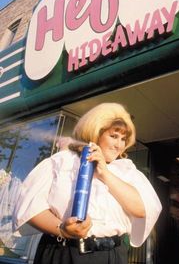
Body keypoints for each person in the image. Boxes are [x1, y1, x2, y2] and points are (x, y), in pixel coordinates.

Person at [13, 102, 162, 264]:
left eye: (123, 139)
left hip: (112, 256)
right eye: (113, 136)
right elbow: (31, 208)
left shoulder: (127, 171)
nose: (119, 145)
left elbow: (141, 210)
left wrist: (104, 173)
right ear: (95, 133)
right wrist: (63, 230)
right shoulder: (61, 162)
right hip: (64, 253)